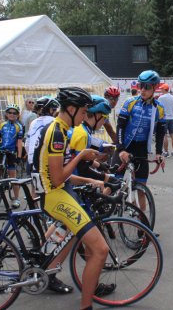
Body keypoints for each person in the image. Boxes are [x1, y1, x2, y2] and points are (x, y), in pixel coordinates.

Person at [34, 86, 115, 305]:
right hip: (54, 195)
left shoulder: (60, 129)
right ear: (71, 109)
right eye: (83, 112)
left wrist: (94, 180)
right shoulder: (57, 133)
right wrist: (80, 157)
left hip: (58, 191)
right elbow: (58, 178)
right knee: (100, 250)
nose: (83, 117)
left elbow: (65, 175)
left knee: (86, 242)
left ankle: (47, 268)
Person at [117, 70, 166, 210]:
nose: (143, 90)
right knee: (113, 183)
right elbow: (120, 126)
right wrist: (120, 149)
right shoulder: (130, 102)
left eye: (147, 87)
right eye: (140, 86)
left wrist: (159, 153)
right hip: (125, 146)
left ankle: (142, 220)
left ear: (155, 88)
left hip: (141, 149)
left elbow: (161, 132)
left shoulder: (159, 108)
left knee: (142, 188)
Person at [0, 104, 24, 209]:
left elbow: (19, 142)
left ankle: (16, 198)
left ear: (17, 115)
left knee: (12, 176)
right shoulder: (2, 125)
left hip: (11, 153)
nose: (12, 114)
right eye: (10, 112)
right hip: (2, 151)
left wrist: (19, 156)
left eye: (14, 113)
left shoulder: (19, 126)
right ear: (6, 114)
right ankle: (0, 188)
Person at [158, 83, 173, 157]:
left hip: (164, 118)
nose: (160, 90)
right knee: (172, 134)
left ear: (164, 89)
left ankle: (166, 152)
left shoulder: (161, 97)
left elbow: (158, 107)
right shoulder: (172, 97)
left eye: (161, 89)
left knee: (164, 135)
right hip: (171, 117)